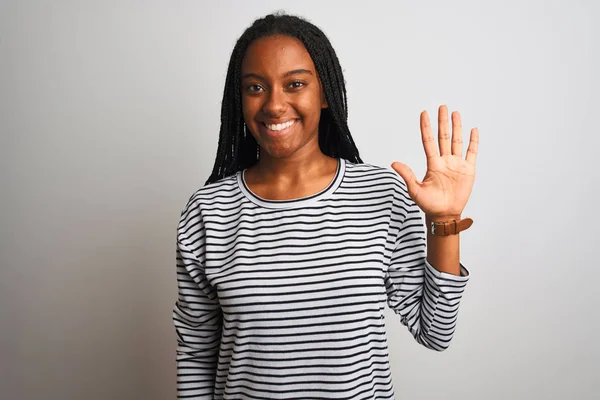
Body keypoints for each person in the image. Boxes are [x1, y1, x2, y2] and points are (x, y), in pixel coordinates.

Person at [173, 12, 479, 400]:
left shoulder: (381, 194)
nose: (274, 104)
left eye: (295, 84)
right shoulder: (208, 211)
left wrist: (445, 221)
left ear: (325, 95)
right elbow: (197, 353)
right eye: (255, 87)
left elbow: (434, 331)